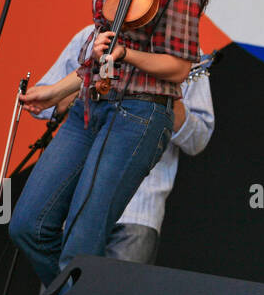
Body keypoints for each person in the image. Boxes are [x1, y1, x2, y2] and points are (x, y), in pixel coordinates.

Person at [10, 0, 214, 288]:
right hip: (92, 103)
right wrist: (59, 88)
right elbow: (104, 50)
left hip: (138, 115)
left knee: (80, 245)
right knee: (28, 223)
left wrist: (127, 55)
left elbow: (178, 67)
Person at [29, 25, 215, 264]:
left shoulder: (184, 50)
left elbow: (198, 139)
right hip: (76, 205)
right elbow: (43, 101)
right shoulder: (91, 36)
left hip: (138, 212)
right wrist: (81, 89)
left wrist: (170, 101)